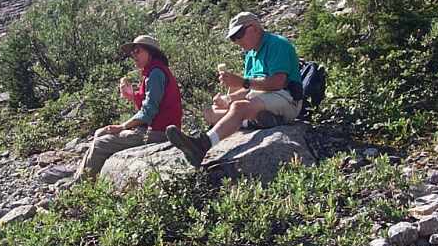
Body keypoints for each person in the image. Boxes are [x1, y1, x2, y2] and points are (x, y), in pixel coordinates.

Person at [165, 12, 302, 168]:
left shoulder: (277, 44)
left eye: (239, 34)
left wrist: (242, 83)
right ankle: (259, 120)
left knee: (238, 108)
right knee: (211, 112)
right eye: (233, 37)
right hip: (262, 98)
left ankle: (203, 145)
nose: (237, 40)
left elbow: (278, 82)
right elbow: (249, 88)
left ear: (255, 28)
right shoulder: (250, 54)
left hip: (286, 97)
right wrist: (228, 99)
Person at [74, 35, 182, 180]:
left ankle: (82, 185)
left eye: (137, 51)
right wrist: (132, 96)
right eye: (132, 52)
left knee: (100, 144)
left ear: (150, 52)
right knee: (100, 133)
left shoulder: (155, 73)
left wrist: (122, 126)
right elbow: (152, 105)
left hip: (160, 132)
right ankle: (80, 177)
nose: (133, 55)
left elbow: (148, 112)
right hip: (157, 129)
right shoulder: (153, 72)